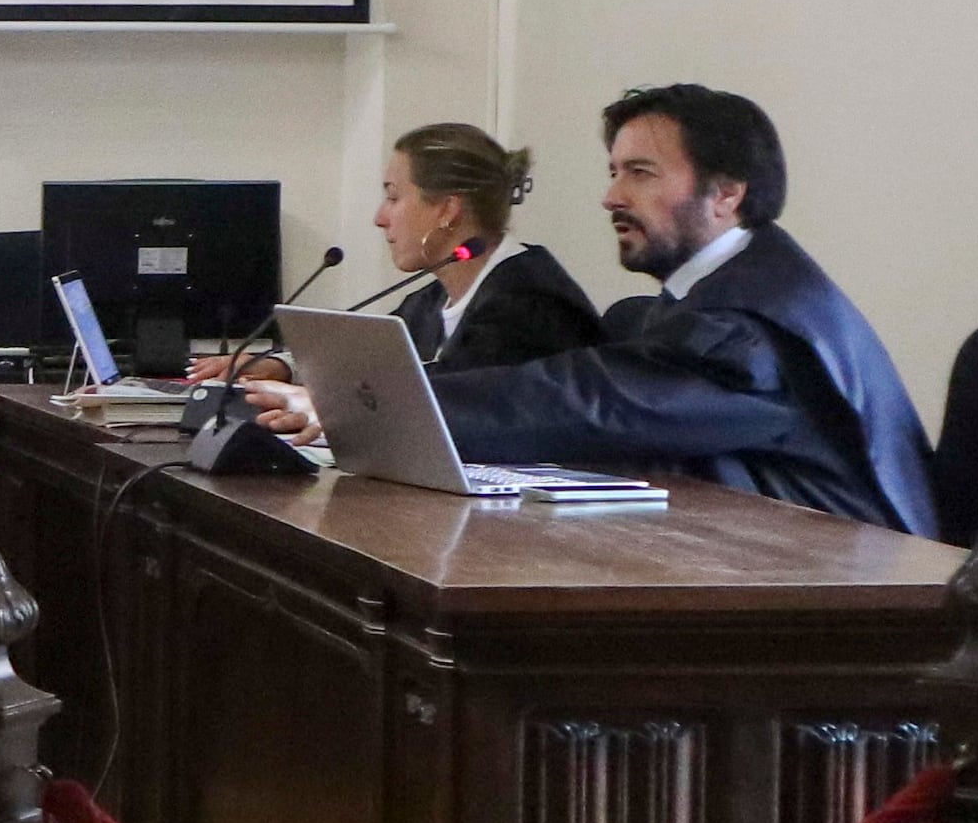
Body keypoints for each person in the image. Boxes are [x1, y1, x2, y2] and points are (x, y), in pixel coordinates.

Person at [423, 84, 940, 535]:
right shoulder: (736, 284)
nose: (611, 197)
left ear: (726, 194)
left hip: (861, 609)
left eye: (640, 174)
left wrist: (400, 404)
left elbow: (597, 404)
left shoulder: (753, 322)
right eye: (614, 172)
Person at [372, 122, 599, 371]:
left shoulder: (530, 312)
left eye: (393, 198)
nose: (380, 219)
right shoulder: (424, 306)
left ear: (447, 209)